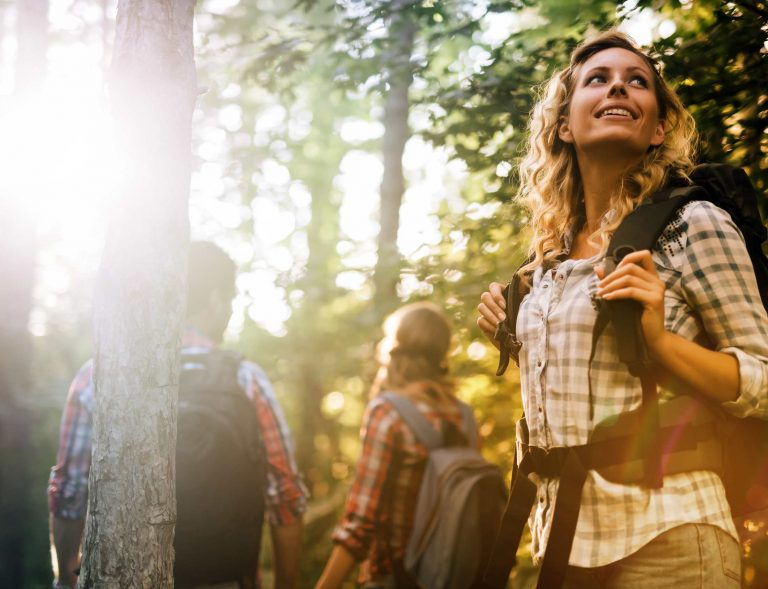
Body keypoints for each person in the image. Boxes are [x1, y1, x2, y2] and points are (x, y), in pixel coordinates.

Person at [476, 31, 768, 588]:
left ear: (658, 128)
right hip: (564, 543)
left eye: (637, 82)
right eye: (598, 79)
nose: (618, 87)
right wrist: (513, 337)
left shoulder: (695, 224)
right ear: (564, 125)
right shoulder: (548, 262)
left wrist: (661, 340)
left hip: (673, 538)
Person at [48, 241, 307, 589]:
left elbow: (69, 490)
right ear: (216, 299)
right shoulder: (246, 379)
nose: (230, 311)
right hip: (225, 579)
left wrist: (66, 578)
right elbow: (285, 496)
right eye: (230, 299)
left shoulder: (98, 375)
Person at [315, 302, 475, 589]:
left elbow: (360, 524)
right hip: (454, 576)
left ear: (394, 348)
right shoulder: (464, 417)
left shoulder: (388, 413)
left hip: (397, 577)